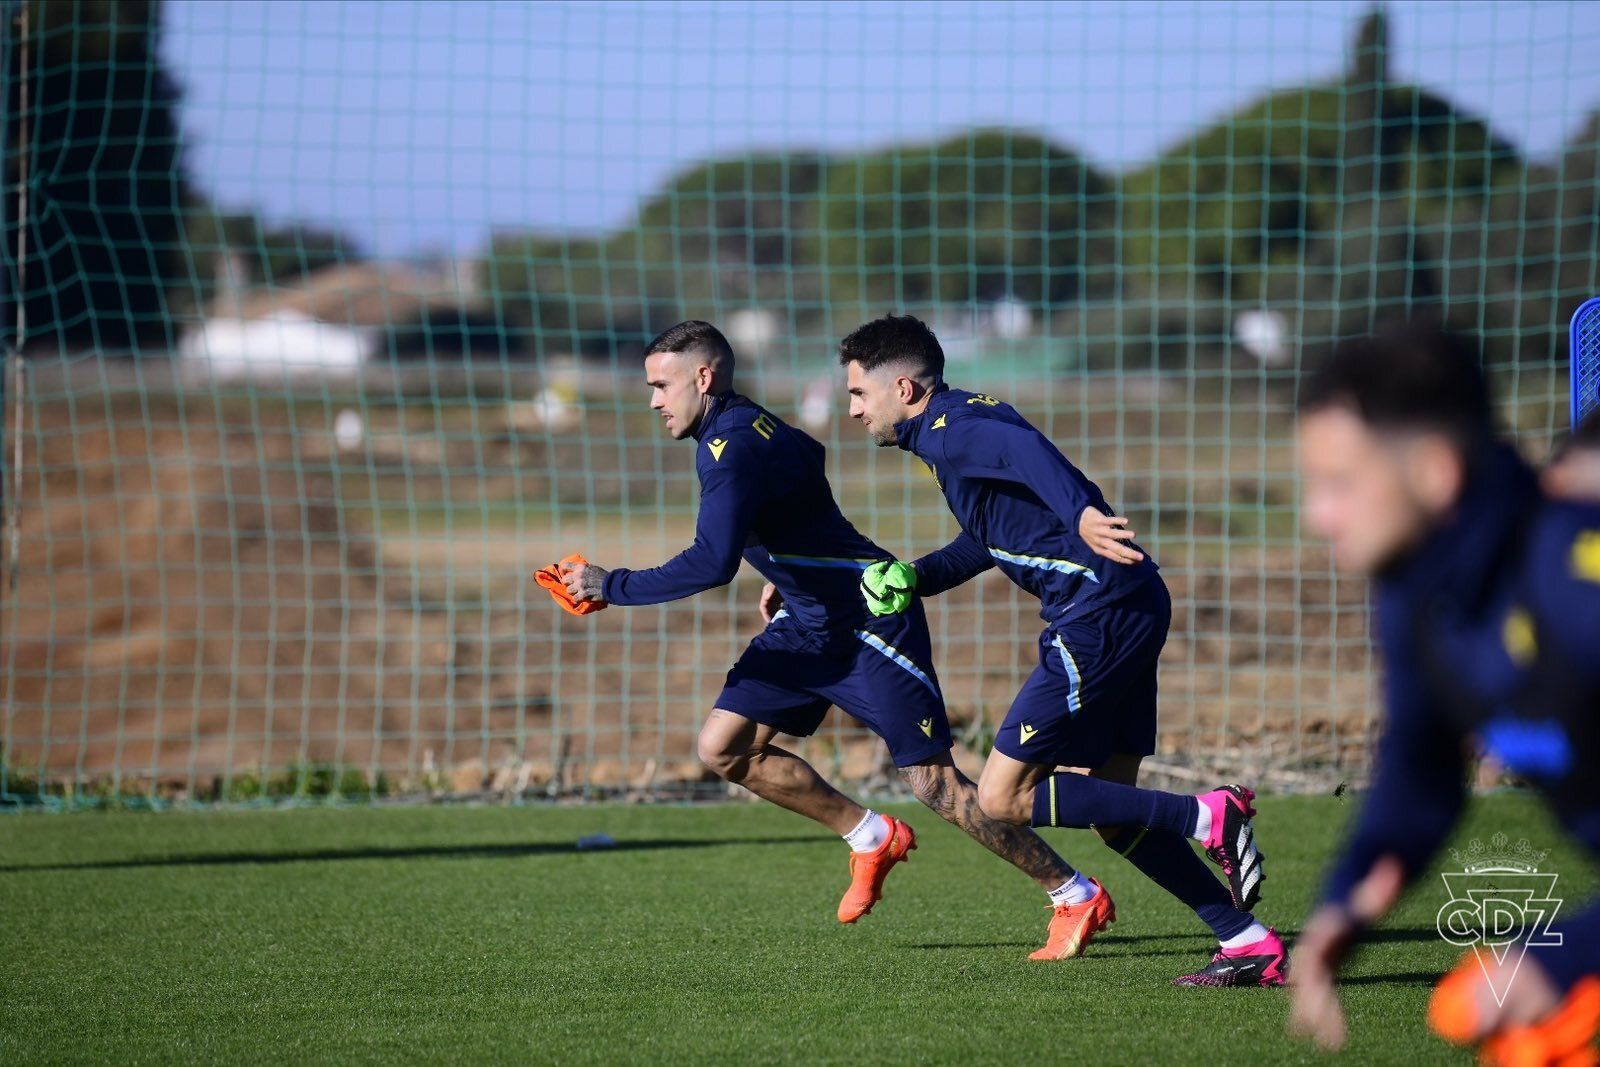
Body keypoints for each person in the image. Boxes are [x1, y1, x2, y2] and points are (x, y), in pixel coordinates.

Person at [558, 320, 1101, 958]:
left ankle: (1072, 892)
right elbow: (806, 460)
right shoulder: (754, 424)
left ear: (703, 379)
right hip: (807, 615)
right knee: (725, 747)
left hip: (865, 617)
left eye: (661, 384)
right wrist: (787, 568)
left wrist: (608, 584)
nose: (653, 399)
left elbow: (710, 564)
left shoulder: (728, 450)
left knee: (936, 786)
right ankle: (870, 836)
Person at [836, 313, 1287, 986]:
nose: (851, 411)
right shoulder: (956, 423)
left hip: (1096, 613)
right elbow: (988, 536)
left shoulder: (952, 430)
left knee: (1000, 797)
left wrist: (1079, 510)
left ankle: (1206, 813)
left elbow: (1031, 459)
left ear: (902, 388)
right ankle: (1247, 939)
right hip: (1128, 602)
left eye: (858, 395)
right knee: (1110, 806)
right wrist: (916, 576)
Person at [1288, 323, 1600, 1064]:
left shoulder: (1572, 580)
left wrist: (1564, 958)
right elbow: (1419, 769)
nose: (1316, 515)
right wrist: (1346, 905)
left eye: (1339, 483)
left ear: (1434, 471)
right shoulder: (1422, 595)